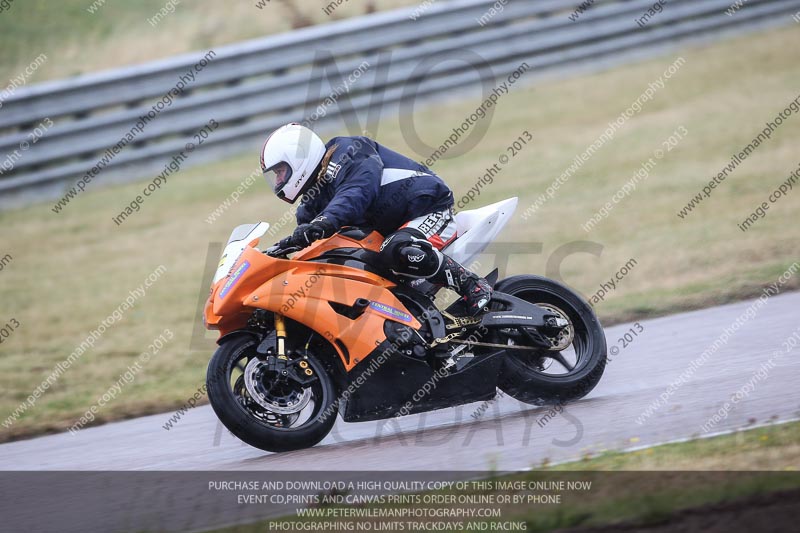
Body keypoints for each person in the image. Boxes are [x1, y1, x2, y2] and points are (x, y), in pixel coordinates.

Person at [260, 123, 492, 316]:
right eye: (276, 176)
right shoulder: (311, 204)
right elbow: (311, 245)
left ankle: (472, 285)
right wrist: (281, 251)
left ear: (298, 158)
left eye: (280, 171)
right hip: (387, 234)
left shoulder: (347, 152)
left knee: (397, 250)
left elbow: (356, 192)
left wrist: (323, 223)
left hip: (426, 209)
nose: (279, 181)